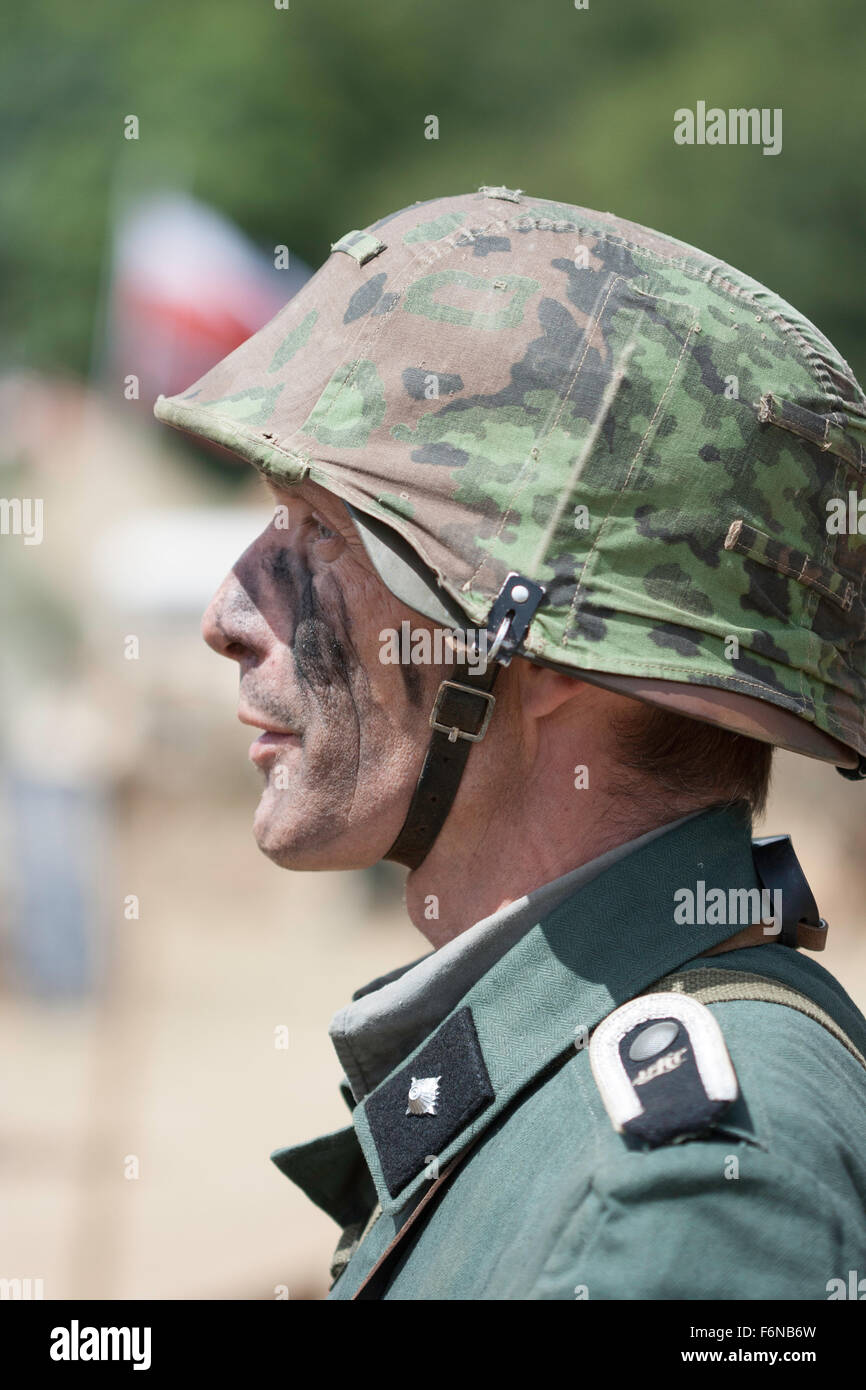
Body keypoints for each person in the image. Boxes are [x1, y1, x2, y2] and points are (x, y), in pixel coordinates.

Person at [155, 188, 866, 1299]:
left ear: (541, 659)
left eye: (323, 533)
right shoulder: (558, 1085)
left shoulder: (694, 1192)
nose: (227, 614)